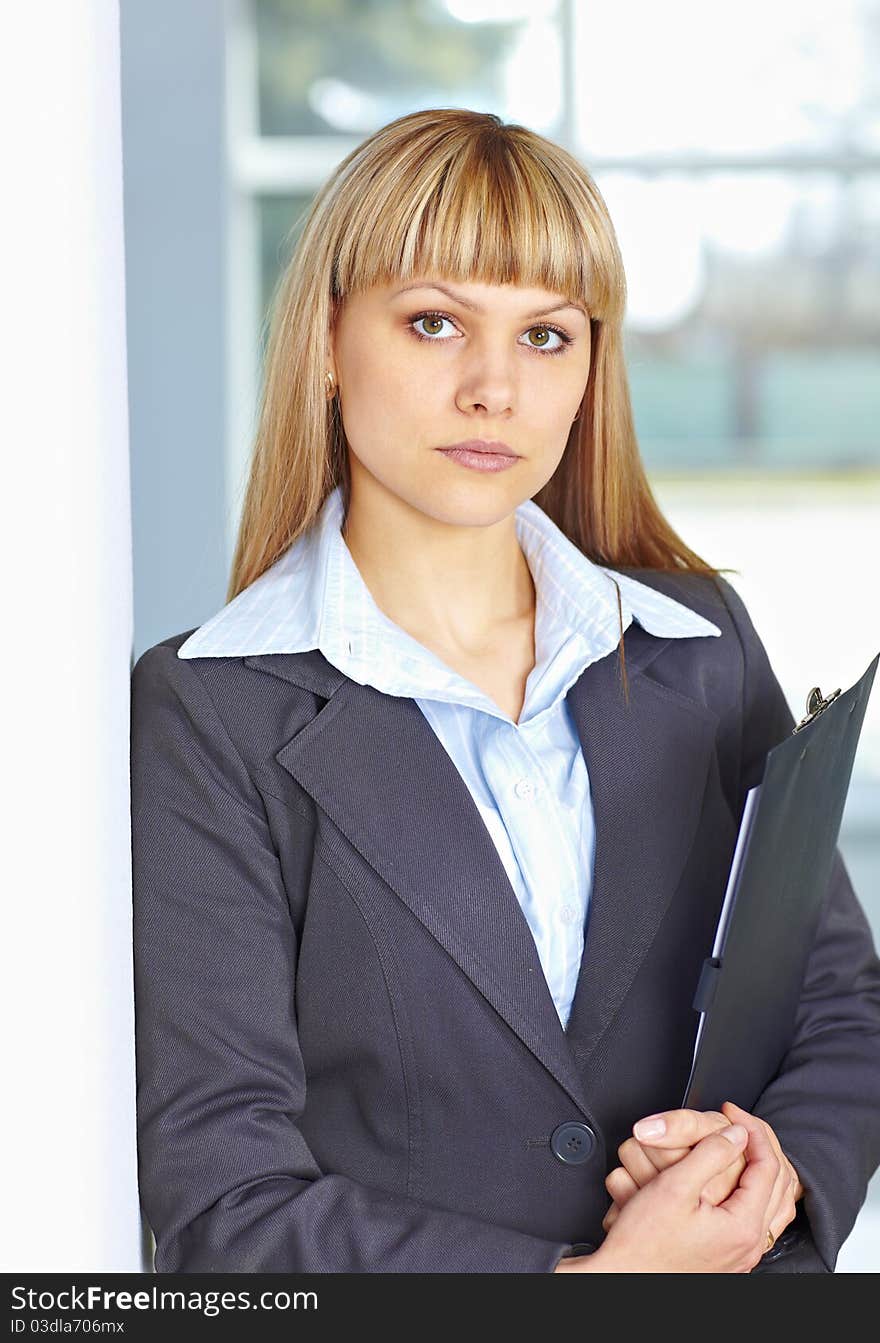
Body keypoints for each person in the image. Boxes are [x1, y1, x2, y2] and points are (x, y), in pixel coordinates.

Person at [130, 108, 880, 1274]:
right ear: (328, 341)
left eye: (545, 336)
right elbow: (221, 1194)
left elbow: (836, 1010)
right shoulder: (205, 712)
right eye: (435, 323)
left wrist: (765, 1181)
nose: (495, 389)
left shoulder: (699, 645)